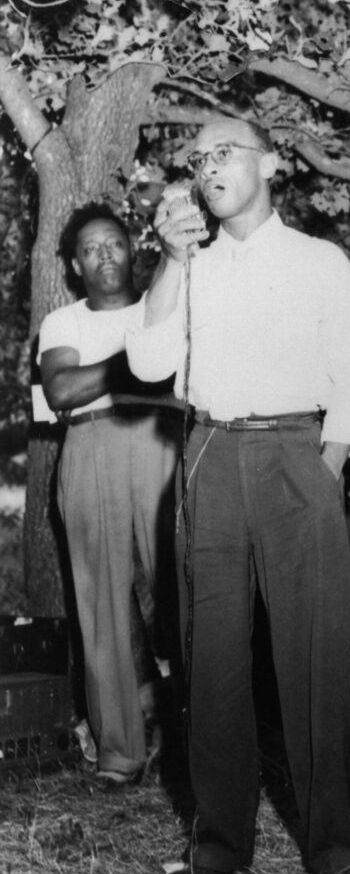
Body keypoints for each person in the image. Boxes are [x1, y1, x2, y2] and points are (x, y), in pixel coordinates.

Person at [125, 117, 350, 874]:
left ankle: (337, 856)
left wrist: (322, 469)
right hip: (209, 453)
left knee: (316, 659)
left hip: (297, 455)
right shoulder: (188, 264)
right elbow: (147, 361)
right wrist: (169, 262)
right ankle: (218, 849)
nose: (209, 168)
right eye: (198, 160)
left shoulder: (319, 260)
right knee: (211, 661)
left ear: (270, 164)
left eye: (225, 153)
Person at [37, 204, 182, 786]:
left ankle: (198, 744)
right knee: (100, 607)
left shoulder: (164, 306)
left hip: (159, 445)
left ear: (133, 249)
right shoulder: (62, 322)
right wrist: (133, 363)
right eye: (92, 249)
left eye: (115, 244)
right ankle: (120, 752)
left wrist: (119, 373)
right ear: (75, 265)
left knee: (184, 595)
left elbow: (181, 380)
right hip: (89, 447)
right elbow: (64, 389)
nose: (105, 256)